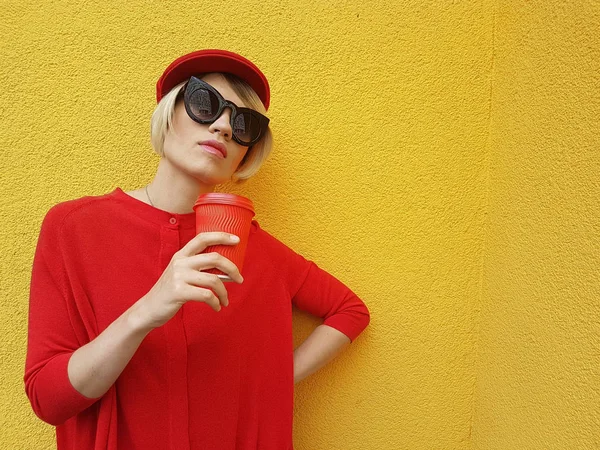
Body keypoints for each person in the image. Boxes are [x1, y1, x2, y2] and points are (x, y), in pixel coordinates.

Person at [24, 49, 370, 450]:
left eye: (245, 124)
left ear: (246, 153)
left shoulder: (257, 252)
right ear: (168, 113)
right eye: (204, 102)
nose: (224, 126)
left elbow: (351, 311)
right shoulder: (74, 228)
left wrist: (272, 385)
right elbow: (48, 400)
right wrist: (146, 312)